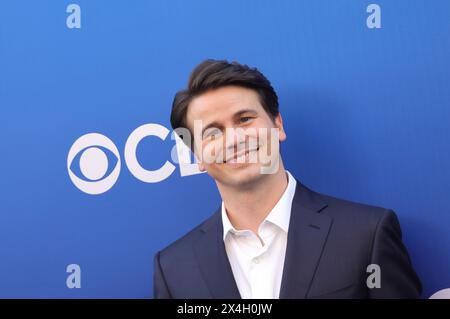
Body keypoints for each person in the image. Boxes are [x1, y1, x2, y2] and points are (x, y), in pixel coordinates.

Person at [153, 59, 422, 299]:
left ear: (278, 125)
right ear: (196, 155)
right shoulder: (173, 268)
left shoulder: (366, 234)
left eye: (245, 119)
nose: (234, 139)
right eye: (212, 132)